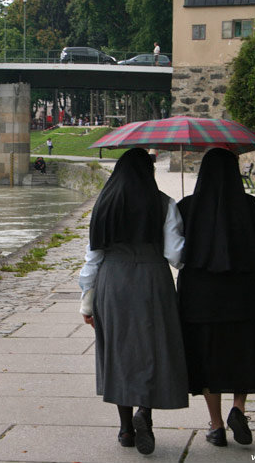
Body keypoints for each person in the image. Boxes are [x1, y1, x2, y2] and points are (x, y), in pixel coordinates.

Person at [79, 148, 188, 455]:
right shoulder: (164, 203)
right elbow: (175, 256)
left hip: (114, 282)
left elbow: (93, 257)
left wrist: (86, 301)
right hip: (153, 281)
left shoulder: (104, 204)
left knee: (119, 352)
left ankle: (126, 429)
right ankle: (146, 415)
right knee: (151, 349)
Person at [177, 148, 255, 447]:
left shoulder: (186, 207)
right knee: (244, 352)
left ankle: (216, 424)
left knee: (207, 357)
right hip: (245, 294)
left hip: (200, 297)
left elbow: (175, 254)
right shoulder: (251, 206)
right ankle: (239, 408)